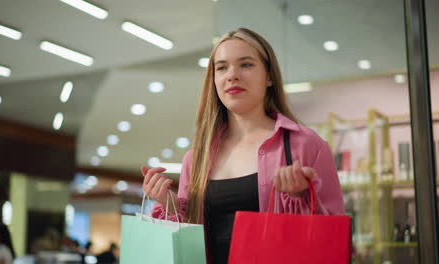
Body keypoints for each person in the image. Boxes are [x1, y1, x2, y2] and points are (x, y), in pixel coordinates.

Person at [141, 28, 344, 264]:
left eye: (246, 64)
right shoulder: (196, 159)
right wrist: (171, 205)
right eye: (222, 67)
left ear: (269, 76)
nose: (232, 75)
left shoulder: (307, 145)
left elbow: (333, 236)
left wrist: (303, 197)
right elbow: (189, 246)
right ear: (214, 80)